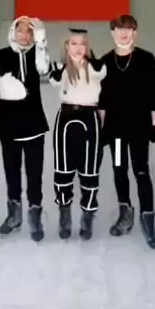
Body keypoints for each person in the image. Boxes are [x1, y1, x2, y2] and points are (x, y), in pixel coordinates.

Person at [98, 15, 155, 249]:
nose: (124, 33)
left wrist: (154, 123)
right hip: (116, 130)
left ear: (135, 33)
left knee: (141, 171)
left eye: (129, 29)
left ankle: (148, 219)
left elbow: (154, 93)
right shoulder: (105, 62)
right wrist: (100, 128)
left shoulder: (146, 59)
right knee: (119, 169)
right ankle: (125, 213)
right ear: (112, 32)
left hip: (139, 129)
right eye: (119, 29)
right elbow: (102, 99)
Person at [0, 16, 50, 242]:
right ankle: (13, 215)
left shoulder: (37, 54)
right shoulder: (0, 55)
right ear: (13, 32)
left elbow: (44, 69)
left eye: (29, 32)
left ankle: (35, 216)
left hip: (34, 123)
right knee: (12, 172)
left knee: (35, 173)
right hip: (9, 125)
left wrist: (41, 42)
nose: (24, 36)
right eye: (20, 31)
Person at [49, 29, 106, 240]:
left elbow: (102, 72)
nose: (78, 48)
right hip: (66, 118)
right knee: (63, 169)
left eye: (82, 43)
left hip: (90, 117)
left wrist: (91, 61)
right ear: (66, 46)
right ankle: (64, 214)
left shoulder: (96, 66)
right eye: (73, 43)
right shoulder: (60, 67)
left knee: (89, 170)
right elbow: (54, 81)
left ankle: (87, 215)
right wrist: (59, 68)